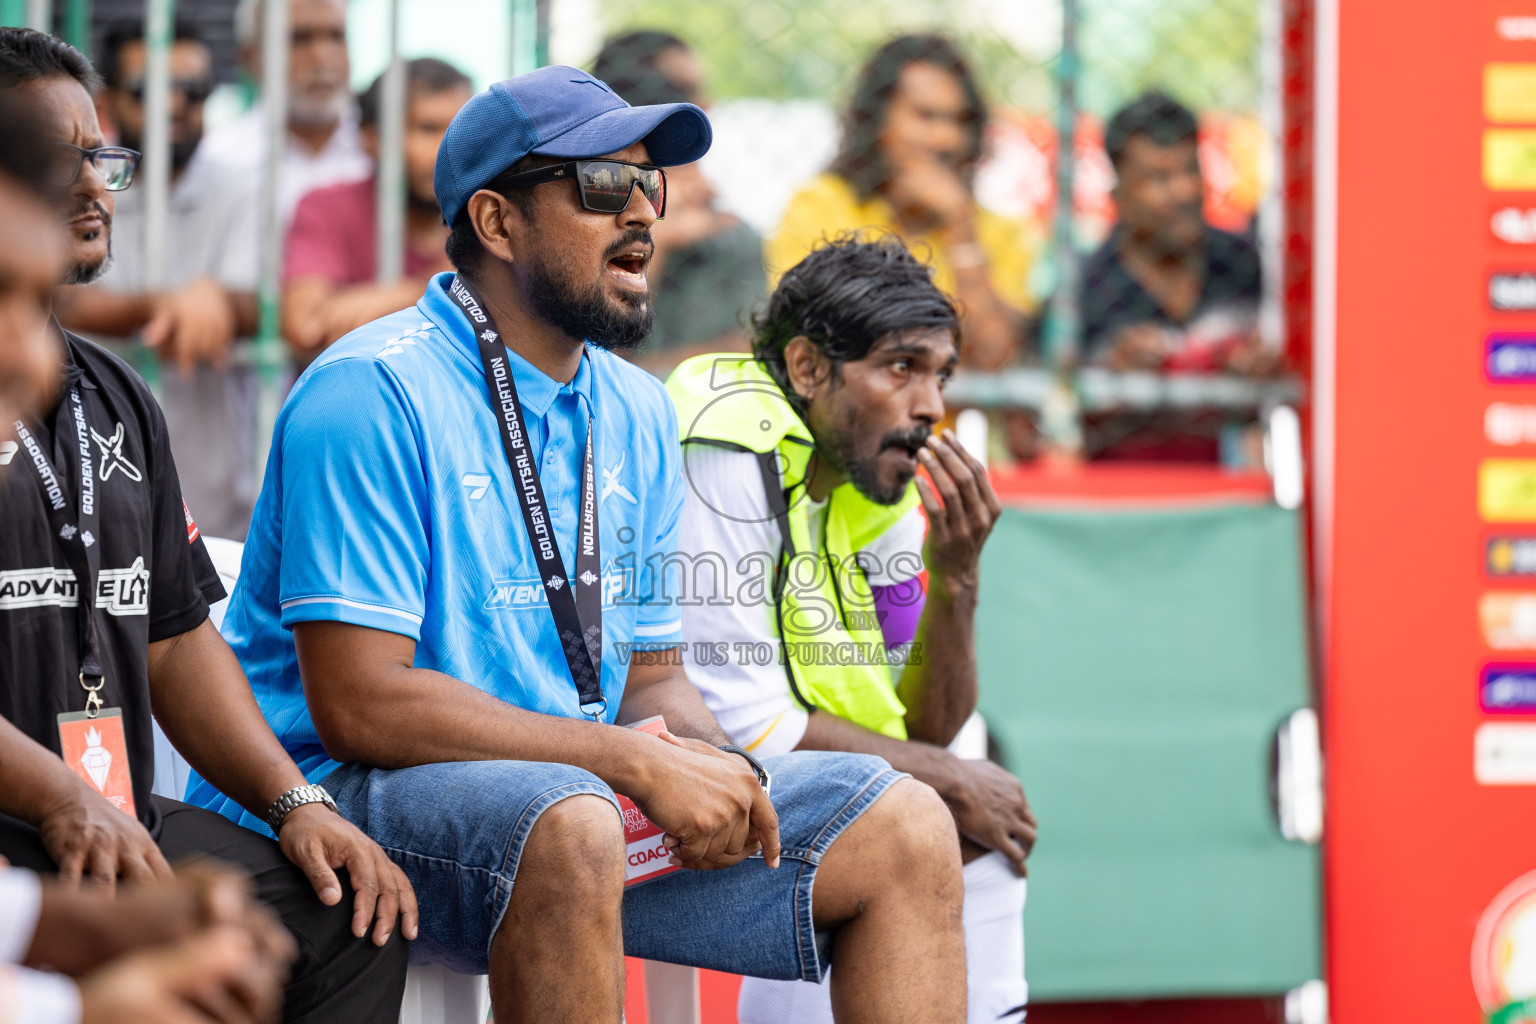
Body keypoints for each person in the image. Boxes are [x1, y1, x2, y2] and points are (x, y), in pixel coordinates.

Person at [185, 65, 969, 1024]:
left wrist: (716, 768)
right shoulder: (370, 391)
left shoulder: (635, 404)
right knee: (569, 821)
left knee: (903, 821)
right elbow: (359, 704)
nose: (642, 213)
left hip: (568, 796)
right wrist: (632, 764)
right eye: (603, 187)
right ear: (497, 222)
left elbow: (650, 684)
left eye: (652, 186)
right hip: (342, 806)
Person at [0, 29, 415, 1024]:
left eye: (103, 158)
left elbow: (181, 638)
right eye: (61, 161)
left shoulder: (114, 393)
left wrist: (295, 801)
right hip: (29, 821)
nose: (96, 185)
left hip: (116, 809)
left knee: (345, 909)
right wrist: (60, 797)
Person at [666, 235, 1035, 1024]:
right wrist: (946, 776)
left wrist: (959, 577)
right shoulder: (731, 449)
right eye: (900, 368)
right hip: (652, 785)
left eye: (941, 375)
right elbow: (743, 729)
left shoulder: (878, 481)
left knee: (975, 811)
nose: (931, 405)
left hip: (769, 784)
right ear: (807, 369)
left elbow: (930, 726)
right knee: (948, 801)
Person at [52, 19, 260, 540]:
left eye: (192, 89)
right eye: (149, 89)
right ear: (110, 100)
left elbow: (264, 304)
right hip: (84, 464)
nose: (174, 104)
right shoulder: (81, 182)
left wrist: (220, 305)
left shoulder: (244, 182)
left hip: (217, 486)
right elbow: (55, 299)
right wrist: (176, 305)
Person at [768, 34, 1038, 371]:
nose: (946, 139)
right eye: (926, 116)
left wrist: (960, 229)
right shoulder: (822, 205)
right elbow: (809, 337)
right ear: (877, 121)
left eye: (960, 121)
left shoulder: (997, 230)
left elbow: (994, 355)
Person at [1079, 90, 1274, 461]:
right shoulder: (1086, 291)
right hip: (1123, 492)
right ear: (1119, 194)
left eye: (1190, 170)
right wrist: (1108, 380)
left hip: (1232, 486)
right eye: (1159, 178)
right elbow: (1045, 428)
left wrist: (1252, 364)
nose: (1183, 191)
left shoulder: (1244, 262)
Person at [593, 33, 763, 375]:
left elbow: (746, 354)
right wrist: (655, 239)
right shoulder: (579, 209)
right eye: (681, 89)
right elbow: (593, 360)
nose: (706, 103)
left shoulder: (725, 234)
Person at [281, 57, 471, 356]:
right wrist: (448, 289)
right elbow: (307, 325)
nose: (451, 147)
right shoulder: (327, 207)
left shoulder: (490, 215)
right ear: (371, 138)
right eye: (428, 128)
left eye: (462, 129)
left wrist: (394, 298)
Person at [200, 0, 369, 227]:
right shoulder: (217, 161)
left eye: (336, 36)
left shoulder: (389, 150)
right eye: (298, 39)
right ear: (251, 58)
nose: (322, 57)